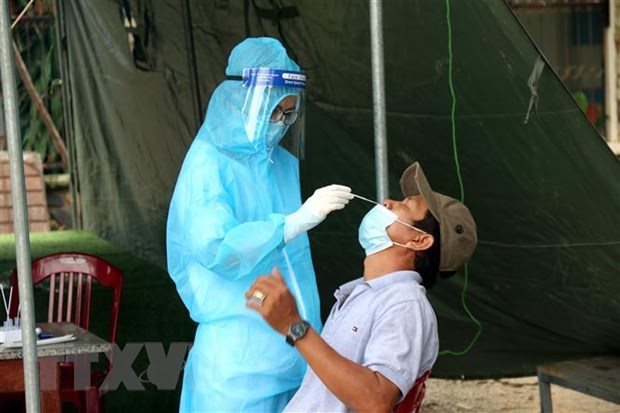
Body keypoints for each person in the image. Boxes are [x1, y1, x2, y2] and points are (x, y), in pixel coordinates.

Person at [166, 37, 353, 412]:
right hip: (239, 364)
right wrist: (294, 221)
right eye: (275, 112)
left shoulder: (278, 163)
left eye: (290, 114)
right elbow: (216, 248)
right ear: (241, 102)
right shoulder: (208, 164)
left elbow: (293, 264)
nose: (282, 125)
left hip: (296, 353)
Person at [246, 162, 477, 412]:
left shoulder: (405, 303)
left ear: (419, 240)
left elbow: (376, 401)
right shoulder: (365, 294)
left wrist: (294, 327)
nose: (388, 202)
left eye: (405, 205)